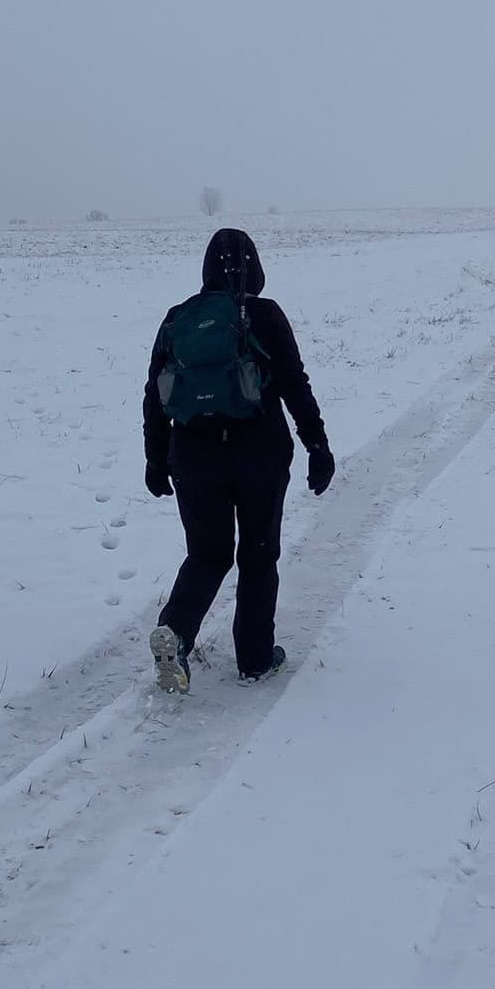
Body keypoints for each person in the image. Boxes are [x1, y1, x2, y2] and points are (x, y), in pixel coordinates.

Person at [142, 228, 334, 692]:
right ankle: (254, 658)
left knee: (207, 554)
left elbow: (155, 395)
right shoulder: (265, 314)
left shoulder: (178, 317)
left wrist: (156, 458)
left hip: (193, 456)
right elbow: (293, 382)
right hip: (261, 453)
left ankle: (178, 633)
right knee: (258, 554)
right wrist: (316, 444)